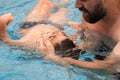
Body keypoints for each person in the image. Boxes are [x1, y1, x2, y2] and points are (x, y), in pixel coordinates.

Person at [39, 0, 120, 75]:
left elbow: (109, 69)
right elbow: (88, 46)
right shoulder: (92, 12)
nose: (76, 5)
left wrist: (60, 60)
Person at [0, 0, 81, 65]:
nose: (55, 32)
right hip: (56, 25)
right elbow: (73, 42)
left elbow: (6, 41)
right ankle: (60, 3)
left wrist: (2, 22)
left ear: (47, 47)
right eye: (62, 34)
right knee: (63, 8)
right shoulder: (61, 37)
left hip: (31, 24)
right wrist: (77, 31)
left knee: (43, 2)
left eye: (52, 37)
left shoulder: (31, 44)